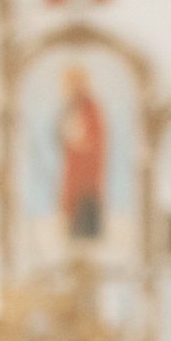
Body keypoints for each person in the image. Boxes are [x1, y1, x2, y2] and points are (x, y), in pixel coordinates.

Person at [57, 64, 106, 242]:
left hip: (86, 172)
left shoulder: (89, 106)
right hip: (74, 166)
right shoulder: (72, 105)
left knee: (84, 213)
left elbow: (92, 137)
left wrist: (78, 141)